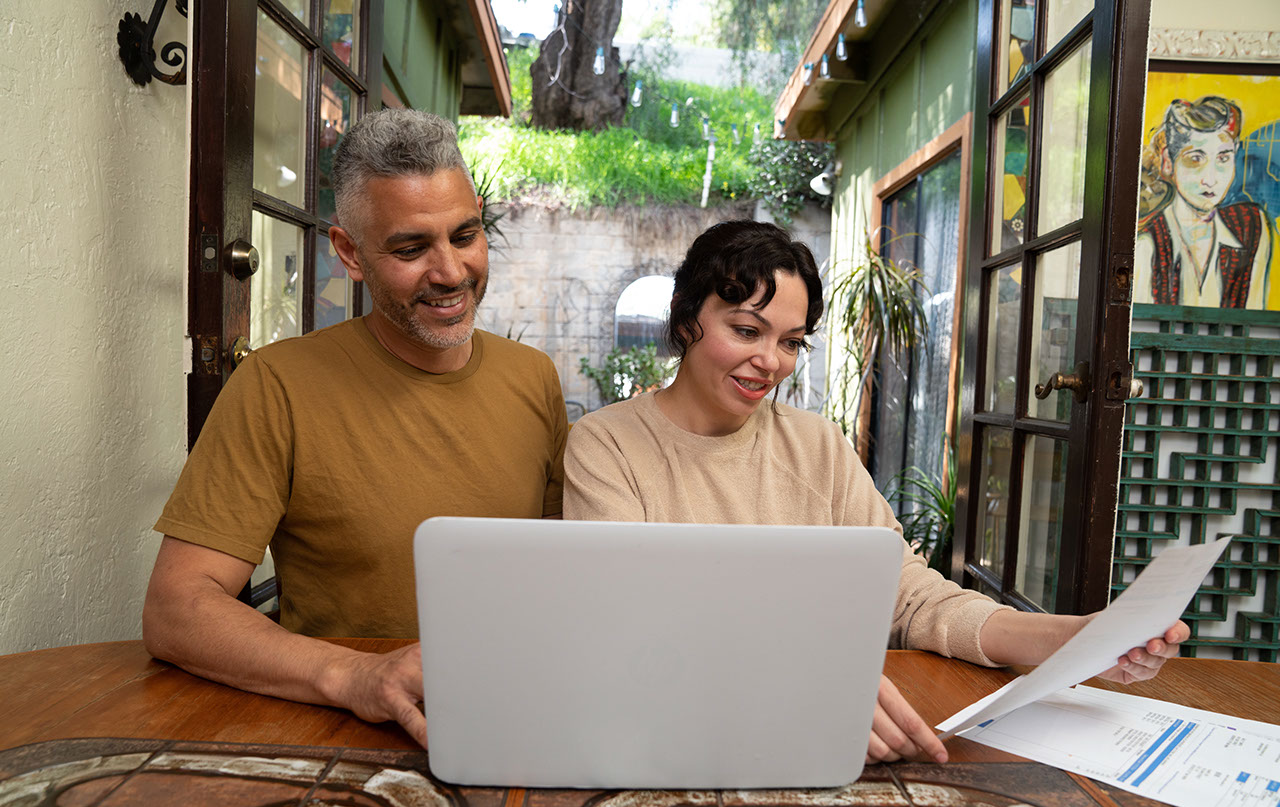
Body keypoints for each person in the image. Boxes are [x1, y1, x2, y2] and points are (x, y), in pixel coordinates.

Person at [564, 220, 1188, 765]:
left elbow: (912, 598)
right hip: (677, 736)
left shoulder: (816, 447)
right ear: (684, 318)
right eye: (746, 330)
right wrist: (807, 686)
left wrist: (1072, 640)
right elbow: (632, 629)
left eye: (789, 342)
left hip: (828, 738)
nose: (770, 362)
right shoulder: (606, 447)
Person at [143, 110, 568, 749]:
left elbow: (565, 578)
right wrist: (357, 676)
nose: (451, 272)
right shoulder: (276, 385)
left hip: (506, 717)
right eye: (410, 248)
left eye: (465, 234)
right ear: (350, 253)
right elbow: (177, 610)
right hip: (340, 731)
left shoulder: (534, 378)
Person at [1134, 95, 1271, 309]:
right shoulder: (1147, 244)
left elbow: (1252, 320)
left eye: (1223, 159)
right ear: (1169, 162)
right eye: (1196, 159)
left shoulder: (1251, 226)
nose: (1211, 179)